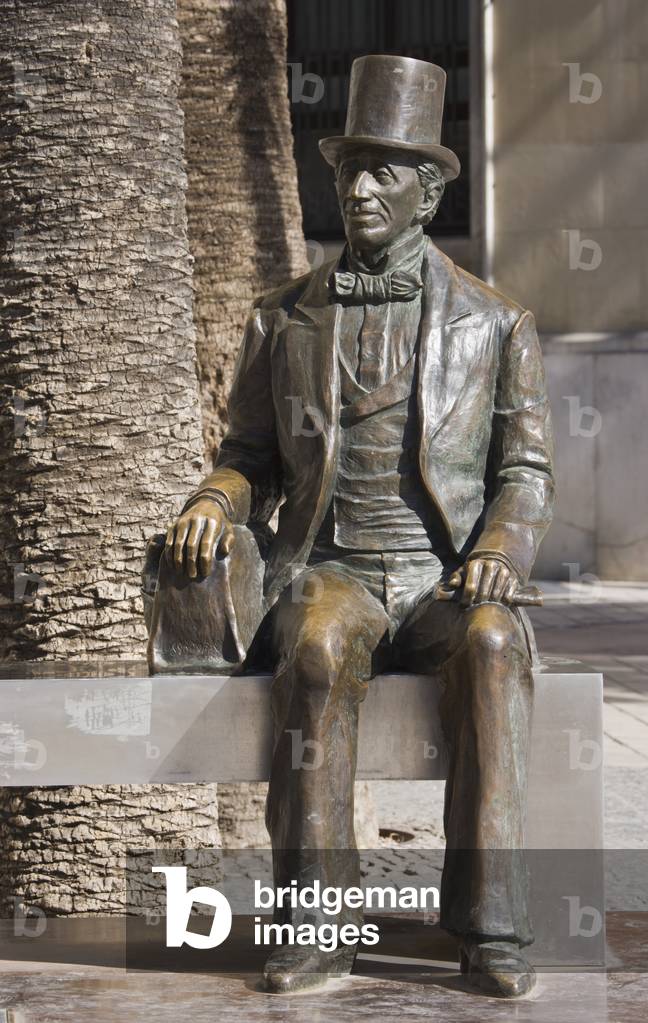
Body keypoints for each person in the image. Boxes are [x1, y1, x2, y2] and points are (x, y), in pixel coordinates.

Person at [163, 55, 554, 997]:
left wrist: (499, 548)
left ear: (426, 193)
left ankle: (490, 923)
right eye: (349, 170)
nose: (361, 187)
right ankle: (314, 924)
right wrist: (216, 497)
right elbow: (250, 453)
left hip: (443, 577)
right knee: (316, 642)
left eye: (385, 171)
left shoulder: (497, 323)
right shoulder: (283, 318)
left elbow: (526, 472)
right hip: (332, 562)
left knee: (498, 641)